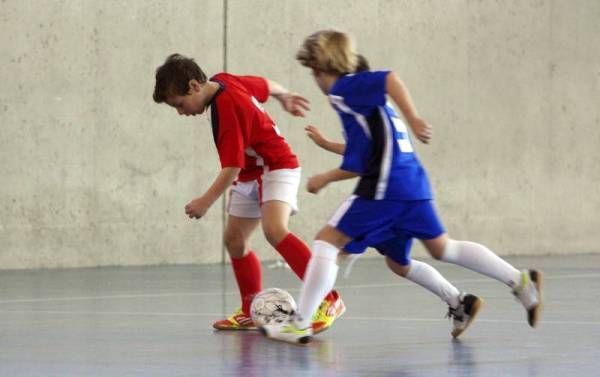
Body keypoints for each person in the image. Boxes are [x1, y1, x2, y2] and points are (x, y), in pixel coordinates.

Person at [262, 30, 543, 344]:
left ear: (323, 67)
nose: (314, 78)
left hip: (385, 188)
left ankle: (300, 322)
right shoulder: (368, 109)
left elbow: (390, 79)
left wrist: (415, 117)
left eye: (314, 71)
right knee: (436, 250)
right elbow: (361, 156)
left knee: (327, 242)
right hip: (411, 184)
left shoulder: (347, 87)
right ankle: (517, 281)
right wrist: (328, 150)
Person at [152, 53, 345, 333]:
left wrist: (205, 202)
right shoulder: (222, 81)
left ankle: (329, 300)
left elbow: (232, 165)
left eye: (179, 105)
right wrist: (284, 95)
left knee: (274, 230)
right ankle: (251, 309)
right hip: (251, 174)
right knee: (235, 240)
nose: (180, 112)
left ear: (194, 86)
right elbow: (263, 85)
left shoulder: (225, 108)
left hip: (277, 166)